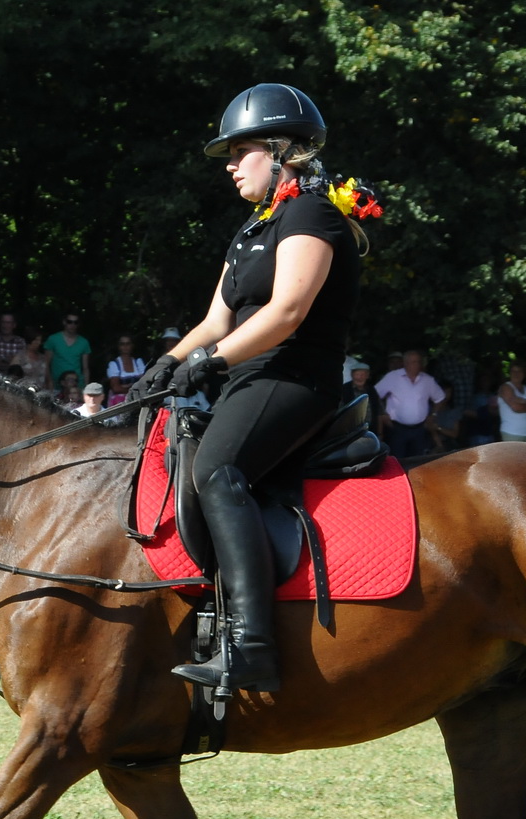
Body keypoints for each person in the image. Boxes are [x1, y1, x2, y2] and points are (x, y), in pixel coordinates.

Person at [151, 83, 374, 692]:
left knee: (218, 469)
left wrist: (211, 363)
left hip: (294, 376)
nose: (227, 165)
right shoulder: (254, 228)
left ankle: (250, 644)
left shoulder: (311, 214)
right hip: (247, 376)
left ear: (282, 151)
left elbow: (288, 313)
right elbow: (215, 320)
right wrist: (168, 361)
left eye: (239, 151)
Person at [374, 350, 445, 458]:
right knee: (397, 459)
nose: (416, 364)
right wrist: (382, 413)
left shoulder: (427, 380)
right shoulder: (393, 377)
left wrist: (433, 415)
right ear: (405, 363)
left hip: (419, 428)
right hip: (397, 428)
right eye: (413, 362)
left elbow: (440, 398)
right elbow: (374, 395)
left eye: (418, 362)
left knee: (417, 460)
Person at [496, 360, 526, 443]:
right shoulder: (506, 387)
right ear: (510, 373)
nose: (516, 374)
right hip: (512, 433)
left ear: (524, 373)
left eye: (519, 371)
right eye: (514, 371)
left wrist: (524, 401)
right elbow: (516, 407)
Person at [44, 314, 92, 387]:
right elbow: (46, 364)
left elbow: (85, 368)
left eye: (75, 322)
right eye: (70, 322)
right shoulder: (53, 339)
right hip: (56, 384)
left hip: (77, 386)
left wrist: (86, 387)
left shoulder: (84, 342)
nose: (72, 325)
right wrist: (49, 381)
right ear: (64, 322)